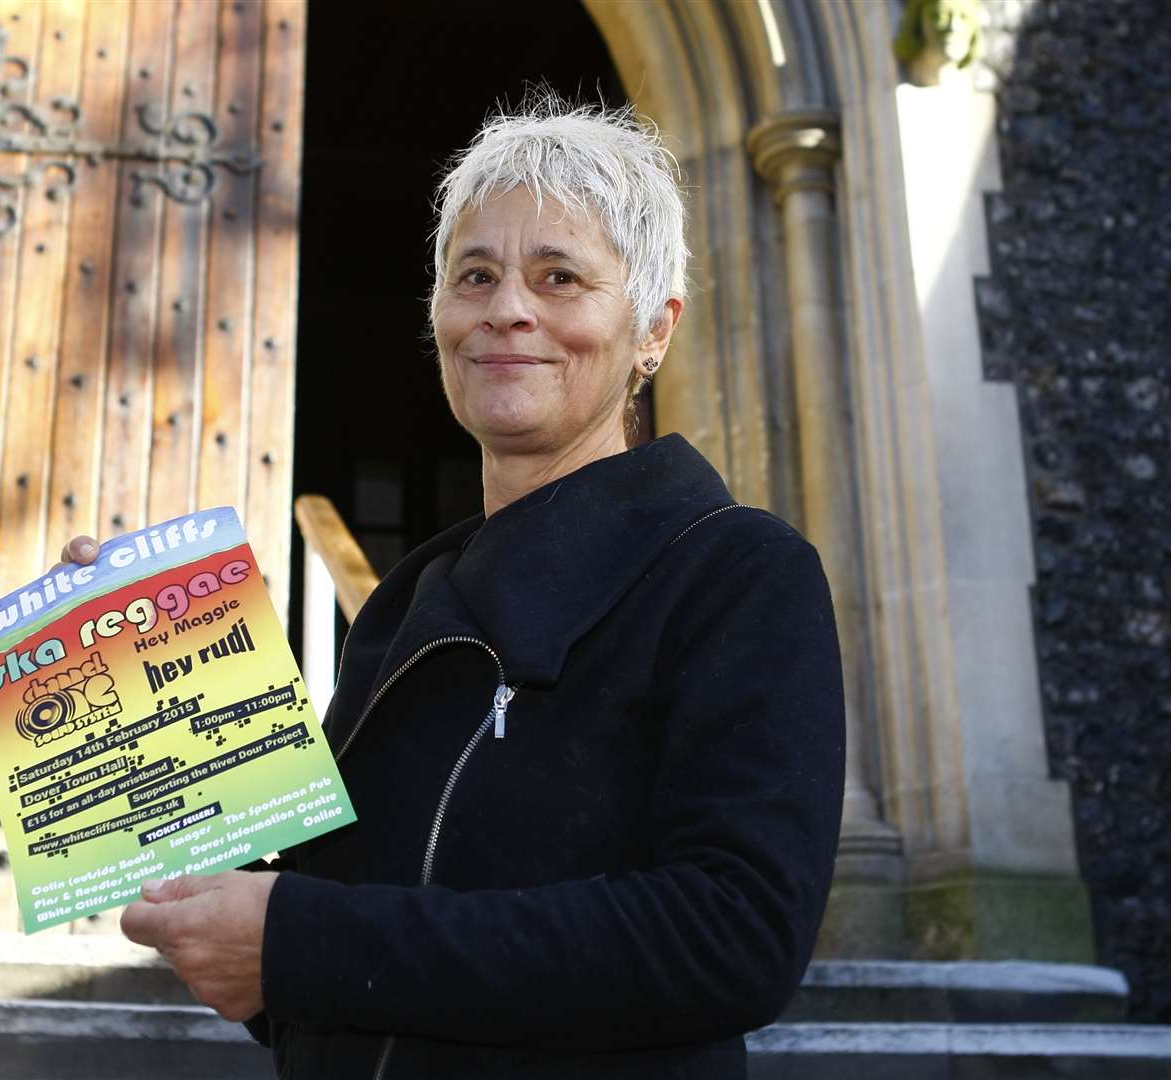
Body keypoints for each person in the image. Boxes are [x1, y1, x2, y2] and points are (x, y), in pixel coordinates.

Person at [67, 97, 846, 1079]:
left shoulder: (737, 575)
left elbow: (731, 938)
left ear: (653, 328)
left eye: (558, 275)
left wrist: (303, 942)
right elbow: (315, 947)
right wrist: (142, 702)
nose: (506, 308)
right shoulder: (401, 604)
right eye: (473, 275)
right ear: (438, 316)